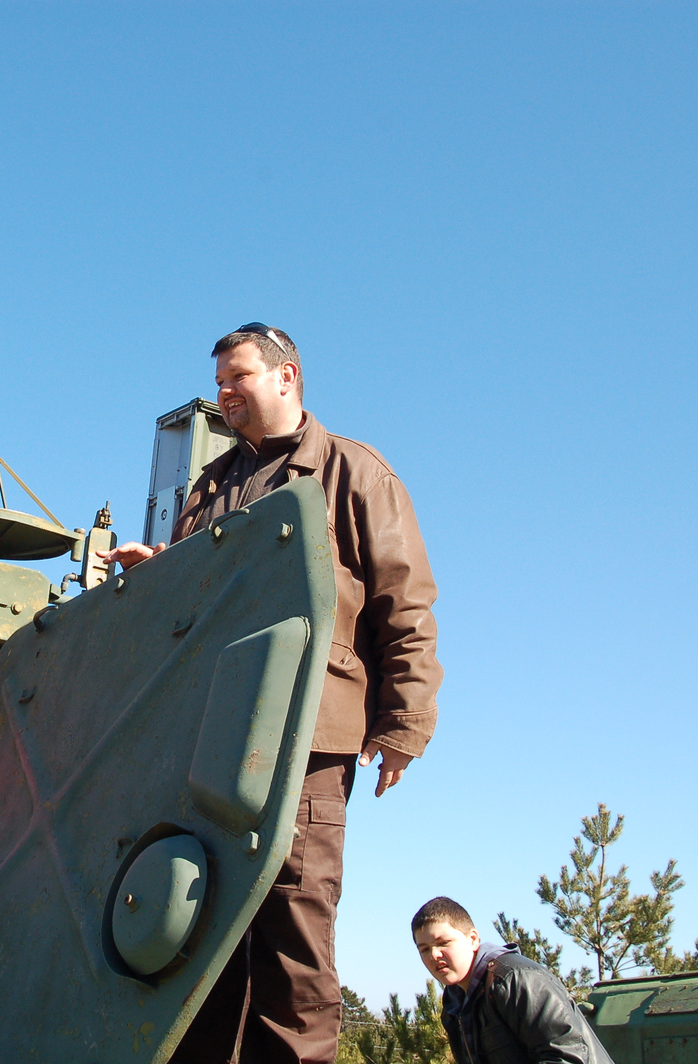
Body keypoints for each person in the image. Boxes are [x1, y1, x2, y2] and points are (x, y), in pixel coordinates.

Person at [105, 323, 443, 1064]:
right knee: (202, 939)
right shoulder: (211, 486)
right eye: (220, 381)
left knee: (293, 941)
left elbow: (405, 604)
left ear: (288, 377)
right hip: (209, 745)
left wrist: (403, 723)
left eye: (239, 378)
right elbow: (199, 607)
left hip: (306, 741)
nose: (224, 394)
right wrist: (158, 571)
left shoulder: (353, 473)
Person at [412, 897, 614, 1064]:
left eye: (443, 943)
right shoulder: (455, 1003)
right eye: (425, 949)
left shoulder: (514, 979)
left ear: (473, 939)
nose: (434, 955)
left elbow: (567, 1057)